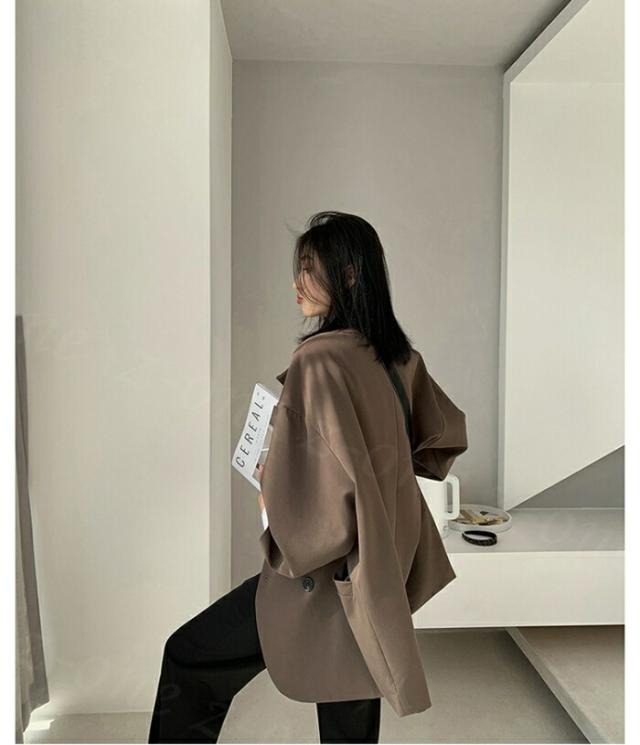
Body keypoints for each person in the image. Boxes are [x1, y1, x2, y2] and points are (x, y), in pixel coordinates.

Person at [148, 211, 468, 743]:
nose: (295, 283)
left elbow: (312, 519)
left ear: (348, 275)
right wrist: (379, 481)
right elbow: (440, 438)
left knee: (189, 656)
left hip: (322, 579)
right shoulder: (400, 359)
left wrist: (271, 491)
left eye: (308, 269)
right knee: (350, 706)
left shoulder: (317, 360)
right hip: (377, 569)